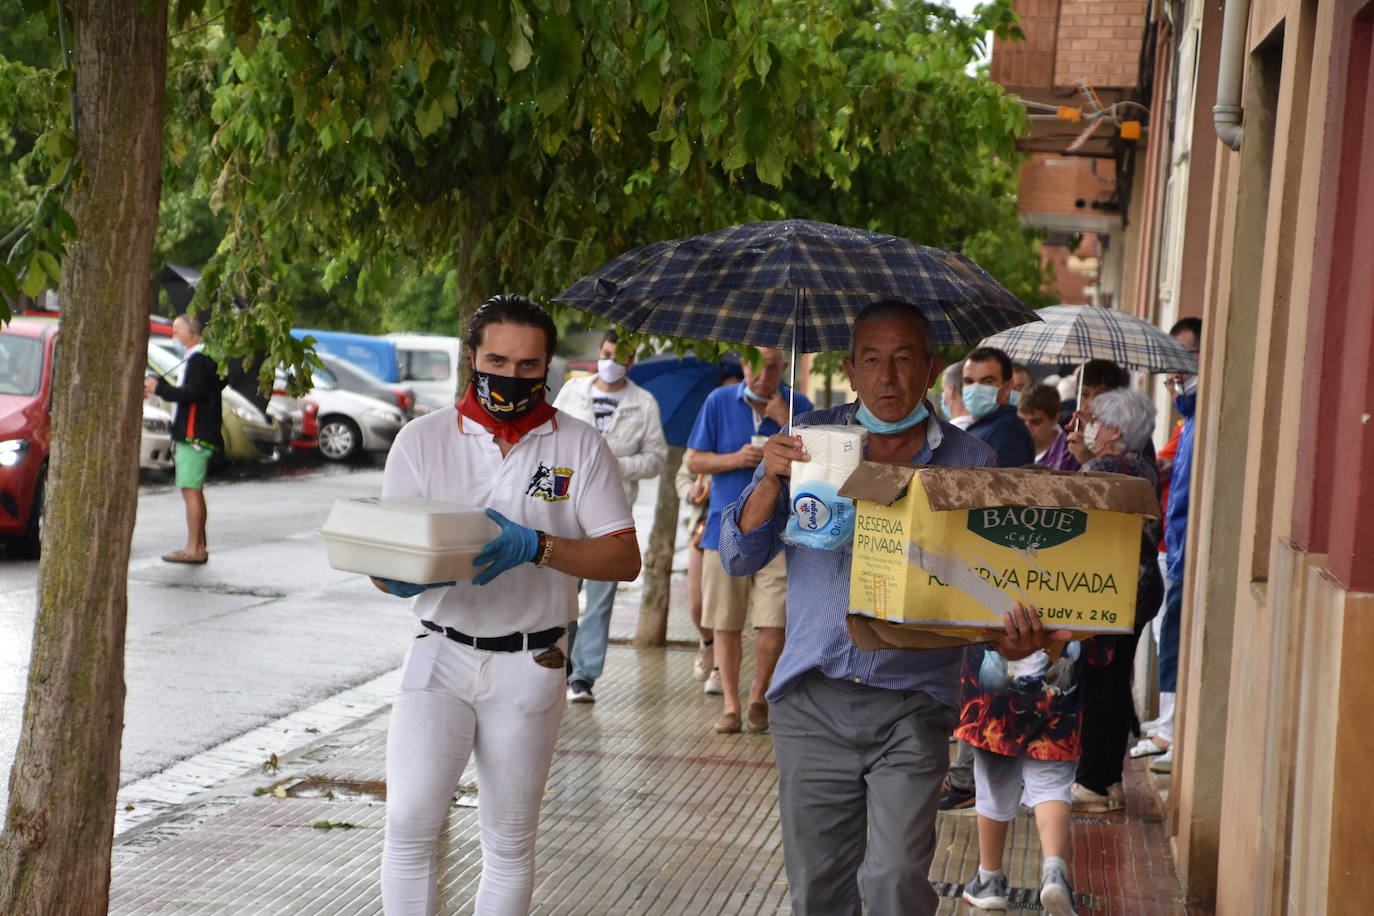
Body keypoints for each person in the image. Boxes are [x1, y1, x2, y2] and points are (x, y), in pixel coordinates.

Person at [719, 300, 1069, 915]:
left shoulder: (973, 464)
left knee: (895, 878)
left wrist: (1012, 641)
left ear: (933, 369)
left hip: (914, 702)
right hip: (812, 697)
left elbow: (989, 591)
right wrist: (770, 479)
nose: (887, 377)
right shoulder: (809, 443)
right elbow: (739, 556)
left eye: (904, 359)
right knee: (819, 890)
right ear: (851, 370)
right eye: (873, 360)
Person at [373, 294, 641, 915]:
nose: (512, 377)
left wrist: (538, 546)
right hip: (438, 650)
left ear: (548, 365)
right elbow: (384, 571)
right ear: (472, 356)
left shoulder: (578, 446)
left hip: (533, 659)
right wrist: (399, 576)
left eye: (528, 366)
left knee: (510, 842)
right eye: (497, 360)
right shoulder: (422, 440)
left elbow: (623, 558)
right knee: (411, 824)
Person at [685, 348, 812, 734]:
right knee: (724, 620)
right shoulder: (719, 401)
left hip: (783, 529)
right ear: (743, 366)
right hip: (724, 527)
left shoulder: (799, 404)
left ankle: (759, 694)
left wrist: (781, 420)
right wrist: (735, 459)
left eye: (772, 367)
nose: (762, 375)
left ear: (783, 368)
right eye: (755, 367)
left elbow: (818, 468)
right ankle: (730, 705)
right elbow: (693, 461)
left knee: (774, 619)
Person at [956, 612, 1109, 915]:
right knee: (1053, 783)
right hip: (1061, 672)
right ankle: (1055, 874)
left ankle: (989, 880)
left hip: (994, 678)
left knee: (993, 783)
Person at [553, 330, 667, 704]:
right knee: (562, 593)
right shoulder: (573, 393)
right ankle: (557, 663)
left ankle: (583, 677)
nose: (611, 362)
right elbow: (550, 437)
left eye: (619, 357)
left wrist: (615, 464)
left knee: (600, 601)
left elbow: (656, 459)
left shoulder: (644, 403)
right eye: (606, 353)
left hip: (612, 513)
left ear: (631, 362)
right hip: (564, 509)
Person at [1066, 389, 1165, 811]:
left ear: (1116, 430)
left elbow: (1076, 519)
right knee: (1114, 681)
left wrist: (1081, 464)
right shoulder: (1141, 463)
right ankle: (1108, 781)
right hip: (1140, 587)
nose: (1090, 426)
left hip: (1112, 590)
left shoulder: (1105, 466)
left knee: (1100, 686)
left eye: (1096, 420)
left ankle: (1093, 783)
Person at [1137, 316, 1202, 773]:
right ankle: (1166, 727)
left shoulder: (1201, 420)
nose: (1175, 372)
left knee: (1176, 643)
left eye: (1185, 357)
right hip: (1174, 550)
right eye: (1171, 362)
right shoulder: (1190, 418)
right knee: (1169, 640)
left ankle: (1173, 731)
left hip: (1183, 556)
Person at [677, 359, 746, 689]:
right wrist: (692, 492)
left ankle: (721, 666)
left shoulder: (748, 433)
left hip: (739, 526)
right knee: (697, 603)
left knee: (728, 608)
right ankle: (707, 643)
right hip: (704, 525)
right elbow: (684, 474)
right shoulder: (705, 431)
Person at [143, 313, 225, 564]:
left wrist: (160, 389)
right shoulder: (204, 357)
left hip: (193, 436)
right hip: (198, 433)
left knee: (190, 490)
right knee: (194, 490)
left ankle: (193, 547)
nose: (174, 336)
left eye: (177, 332)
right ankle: (198, 544)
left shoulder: (199, 359)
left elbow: (192, 393)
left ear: (190, 333)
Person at [962, 346, 1036, 468]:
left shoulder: (1008, 430)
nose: (975, 389)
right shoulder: (986, 426)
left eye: (987, 381)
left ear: (1007, 387)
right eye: (969, 381)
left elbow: (1010, 483)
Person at [1017, 383, 1079, 471]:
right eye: (1021, 421)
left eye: (1036, 422)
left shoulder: (1069, 457)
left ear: (1055, 419)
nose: (1026, 428)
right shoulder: (1012, 445)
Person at [939, 362, 973, 430]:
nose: (943, 394)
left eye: (943, 390)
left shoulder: (944, 435)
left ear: (951, 391)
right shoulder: (989, 429)